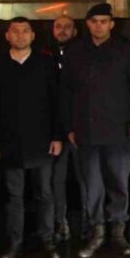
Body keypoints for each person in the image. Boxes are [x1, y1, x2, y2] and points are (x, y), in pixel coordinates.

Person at [61, 3, 130, 258]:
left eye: (103, 21)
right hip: (86, 132)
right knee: (92, 186)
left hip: (118, 131)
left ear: (112, 24)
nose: (98, 26)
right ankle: (97, 234)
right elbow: (65, 92)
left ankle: (118, 234)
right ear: (87, 24)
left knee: (119, 184)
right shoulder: (74, 52)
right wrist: (68, 127)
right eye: (94, 21)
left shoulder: (127, 51)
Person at [0, 17, 62, 258]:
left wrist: (57, 136)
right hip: (9, 142)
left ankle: (48, 240)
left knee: (45, 193)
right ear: (7, 35)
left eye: (25, 31)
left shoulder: (46, 63)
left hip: (42, 141)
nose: (20, 35)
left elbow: (57, 103)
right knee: (14, 197)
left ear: (33, 35)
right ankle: (15, 243)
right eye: (15, 31)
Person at [45, 15, 86, 244]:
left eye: (67, 27)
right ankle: (60, 224)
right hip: (55, 131)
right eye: (58, 26)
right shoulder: (44, 56)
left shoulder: (84, 54)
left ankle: (89, 226)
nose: (62, 30)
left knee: (87, 179)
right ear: (52, 30)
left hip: (81, 129)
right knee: (55, 182)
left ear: (75, 31)